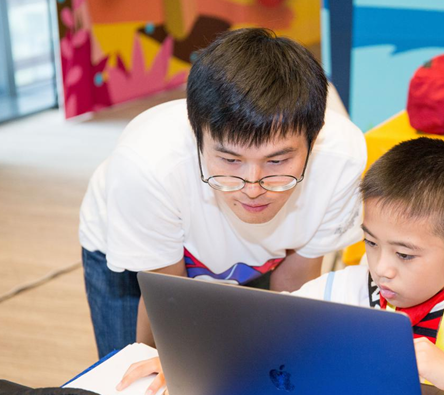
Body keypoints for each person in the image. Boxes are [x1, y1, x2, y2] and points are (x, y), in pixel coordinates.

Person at [116, 137, 444, 395]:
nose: (381, 268)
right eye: (371, 243)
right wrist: (195, 357)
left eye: (405, 255)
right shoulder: (344, 291)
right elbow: (264, 330)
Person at [79, 28, 366, 359]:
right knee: (129, 367)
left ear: (313, 143)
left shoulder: (341, 159)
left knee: (256, 358)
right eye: (230, 160)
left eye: (277, 161)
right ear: (197, 137)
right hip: (140, 252)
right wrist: (154, 366)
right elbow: (167, 301)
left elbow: (295, 286)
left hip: (264, 258)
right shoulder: (148, 167)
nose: (253, 187)